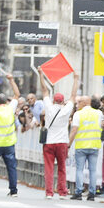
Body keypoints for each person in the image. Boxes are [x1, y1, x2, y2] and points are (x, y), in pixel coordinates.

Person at [38, 66, 79, 200]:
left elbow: (44, 90)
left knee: (49, 168)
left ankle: (49, 193)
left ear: (54, 100)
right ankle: (62, 192)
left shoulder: (49, 107)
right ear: (63, 101)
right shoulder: (66, 109)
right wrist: (76, 79)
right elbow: (73, 96)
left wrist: (41, 74)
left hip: (49, 141)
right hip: (62, 141)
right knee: (62, 167)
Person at [69, 96, 104, 200]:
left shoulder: (78, 114)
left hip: (81, 146)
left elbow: (74, 129)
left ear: (84, 103)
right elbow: (102, 125)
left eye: (79, 102)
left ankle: (78, 192)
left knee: (79, 169)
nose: (77, 104)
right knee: (93, 170)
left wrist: (69, 144)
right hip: (94, 145)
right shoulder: (98, 113)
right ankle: (92, 193)